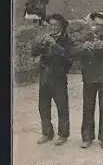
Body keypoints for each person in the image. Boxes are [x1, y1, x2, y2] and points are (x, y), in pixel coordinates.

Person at [72, 11, 103, 149]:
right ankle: (87, 137)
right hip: (89, 77)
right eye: (95, 24)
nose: (97, 27)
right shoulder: (86, 36)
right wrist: (82, 47)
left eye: (101, 25)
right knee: (88, 108)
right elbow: (72, 50)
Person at [30, 13, 74, 146]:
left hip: (59, 77)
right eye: (51, 25)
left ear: (61, 25)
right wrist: (38, 43)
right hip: (45, 76)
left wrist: (54, 45)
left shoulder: (67, 39)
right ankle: (47, 133)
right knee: (43, 106)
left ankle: (63, 134)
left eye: (55, 25)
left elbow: (68, 57)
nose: (53, 27)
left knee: (62, 106)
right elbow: (34, 53)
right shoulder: (46, 37)